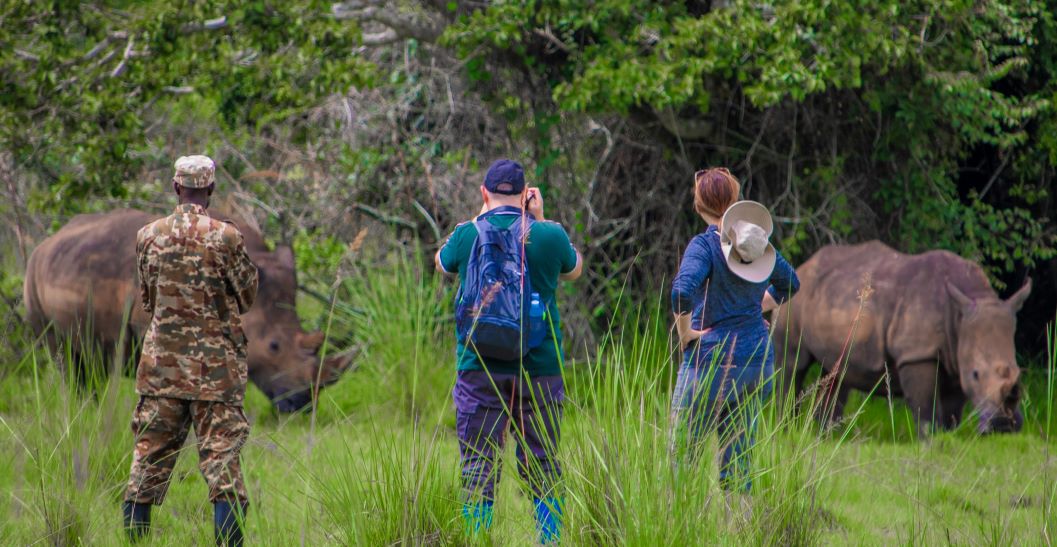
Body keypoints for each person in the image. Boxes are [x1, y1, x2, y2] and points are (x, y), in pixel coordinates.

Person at [435, 159, 583, 544]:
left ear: (484, 193)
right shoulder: (549, 235)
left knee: (477, 465)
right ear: (524, 194)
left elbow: (441, 263)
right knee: (544, 462)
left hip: (477, 366)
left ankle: (478, 538)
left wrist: (479, 217)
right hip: (540, 368)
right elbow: (573, 269)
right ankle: (548, 541)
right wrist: (540, 217)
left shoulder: (467, 233)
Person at [123, 155, 259, 546]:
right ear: (211, 189)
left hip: (161, 369)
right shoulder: (227, 237)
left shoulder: (148, 235)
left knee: (146, 467)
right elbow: (247, 295)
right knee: (224, 470)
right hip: (216, 373)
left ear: (176, 187)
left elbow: (148, 299)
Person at [669, 167, 799, 495]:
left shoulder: (704, 246)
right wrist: (758, 307)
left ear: (698, 205)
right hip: (756, 361)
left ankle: (677, 533)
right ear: (735, 202)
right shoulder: (755, 243)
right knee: (738, 466)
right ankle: (740, 533)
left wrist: (685, 334)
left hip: (709, 363)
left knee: (681, 462)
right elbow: (790, 283)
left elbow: (682, 292)